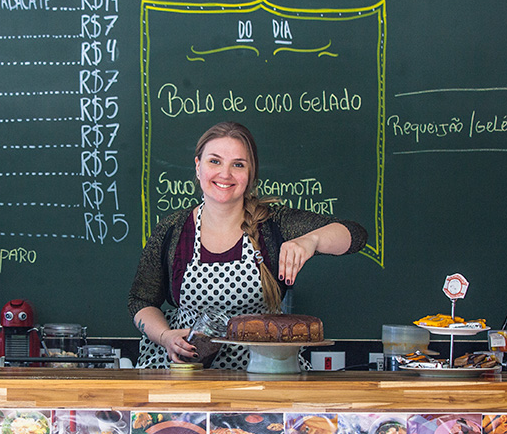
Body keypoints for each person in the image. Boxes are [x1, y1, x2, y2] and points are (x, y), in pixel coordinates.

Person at [128, 121, 368, 369]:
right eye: (215, 161)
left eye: (238, 165)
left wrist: (311, 240)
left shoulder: (275, 224)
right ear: (198, 166)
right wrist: (165, 336)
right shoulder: (172, 230)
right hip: (187, 371)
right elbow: (140, 301)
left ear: (251, 174)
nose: (225, 174)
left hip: (263, 372)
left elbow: (355, 235)